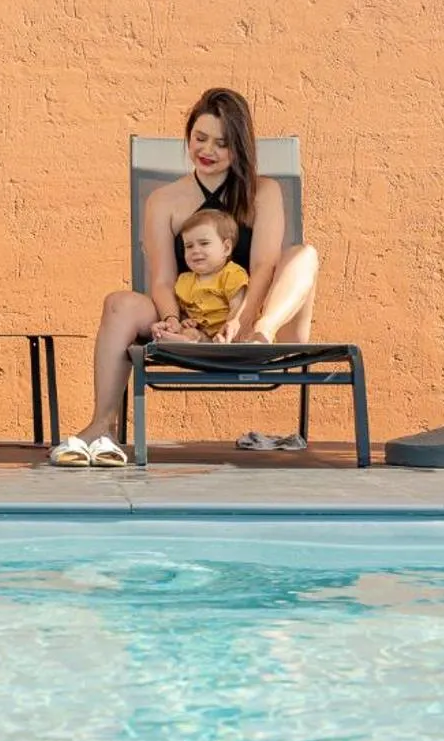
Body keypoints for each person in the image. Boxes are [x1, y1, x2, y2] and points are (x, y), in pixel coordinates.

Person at [51, 87, 320, 467]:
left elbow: (263, 266)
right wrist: (175, 321)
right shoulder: (164, 199)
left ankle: (264, 332)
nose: (208, 150)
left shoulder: (264, 192)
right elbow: (161, 279)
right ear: (189, 136)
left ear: (240, 148)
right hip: (190, 325)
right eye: (200, 138)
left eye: (222, 143)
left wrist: (244, 324)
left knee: (304, 255)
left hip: (255, 325)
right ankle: (101, 427)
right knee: (120, 302)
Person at [162, 209, 249, 343]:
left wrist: (226, 331)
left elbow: (238, 308)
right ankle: (183, 340)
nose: (195, 250)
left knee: (245, 331)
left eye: (204, 243)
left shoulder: (232, 274)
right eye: (189, 246)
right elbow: (184, 310)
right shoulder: (185, 281)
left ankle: (218, 341)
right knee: (189, 333)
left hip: (231, 331)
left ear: (226, 248)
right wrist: (186, 321)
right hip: (204, 335)